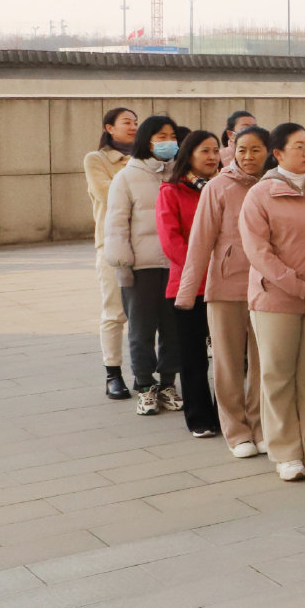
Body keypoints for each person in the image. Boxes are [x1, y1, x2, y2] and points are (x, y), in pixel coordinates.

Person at [238, 123, 305, 480]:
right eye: (299, 147)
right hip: (275, 297)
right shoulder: (261, 194)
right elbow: (258, 251)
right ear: (278, 153)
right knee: (277, 373)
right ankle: (284, 451)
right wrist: (298, 286)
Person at [177, 124, 269, 457]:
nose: (248, 156)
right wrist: (188, 292)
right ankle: (236, 430)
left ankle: (260, 426)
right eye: (242, 149)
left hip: (268, 289)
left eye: (256, 149)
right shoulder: (218, 187)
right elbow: (200, 241)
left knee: (264, 364)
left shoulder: (274, 185)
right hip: (226, 286)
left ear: (269, 152)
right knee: (228, 363)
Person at [103, 114, 182, 415]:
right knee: (141, 330)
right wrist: (122, 264)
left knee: (173, 329)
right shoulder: (126, 177)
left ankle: (168, 384)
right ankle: (145, 386)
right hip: (141, 267)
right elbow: (116, 225)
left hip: (175, 266)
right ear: (146, 140)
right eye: (161, 137)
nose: (168, 142)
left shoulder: (179, 173)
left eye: (172, 136)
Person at [155, 129, 224, 438]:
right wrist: (205, 266)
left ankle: (227, 416)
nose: (212, 156)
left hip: (225, 285)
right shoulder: (171, 191)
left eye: (215, 150)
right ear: (189, 155)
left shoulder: (226, 188)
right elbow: (171, 242)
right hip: (189, 285)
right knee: (193, 357)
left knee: (227, 358)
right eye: (204, 151)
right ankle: (199, 418)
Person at [86, 106, 138, 399]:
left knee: (148, 314)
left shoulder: (147, 158)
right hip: (111, 244)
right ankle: (113, 374)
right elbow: (108, 194)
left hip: (145, 244)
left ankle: (146, 374)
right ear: (109, 128)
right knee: (114, 311)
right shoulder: (96, 159)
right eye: (126, 122)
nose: (133, 127)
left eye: (136, 122)